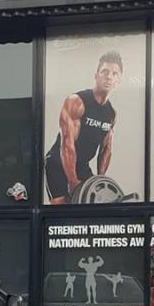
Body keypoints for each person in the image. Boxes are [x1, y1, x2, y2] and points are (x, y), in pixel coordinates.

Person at [44, 51, 122, 203]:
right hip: (58, 162)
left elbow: (106, 149)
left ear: (118, 80)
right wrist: (72, 182)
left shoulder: (111, 113)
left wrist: (101, 181)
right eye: (104, 71)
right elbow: (67, 145)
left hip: (82, 165)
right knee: (61, 209)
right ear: (96, 75)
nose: (109, 77)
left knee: (90, 208)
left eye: (114, 73)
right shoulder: (77, 102)